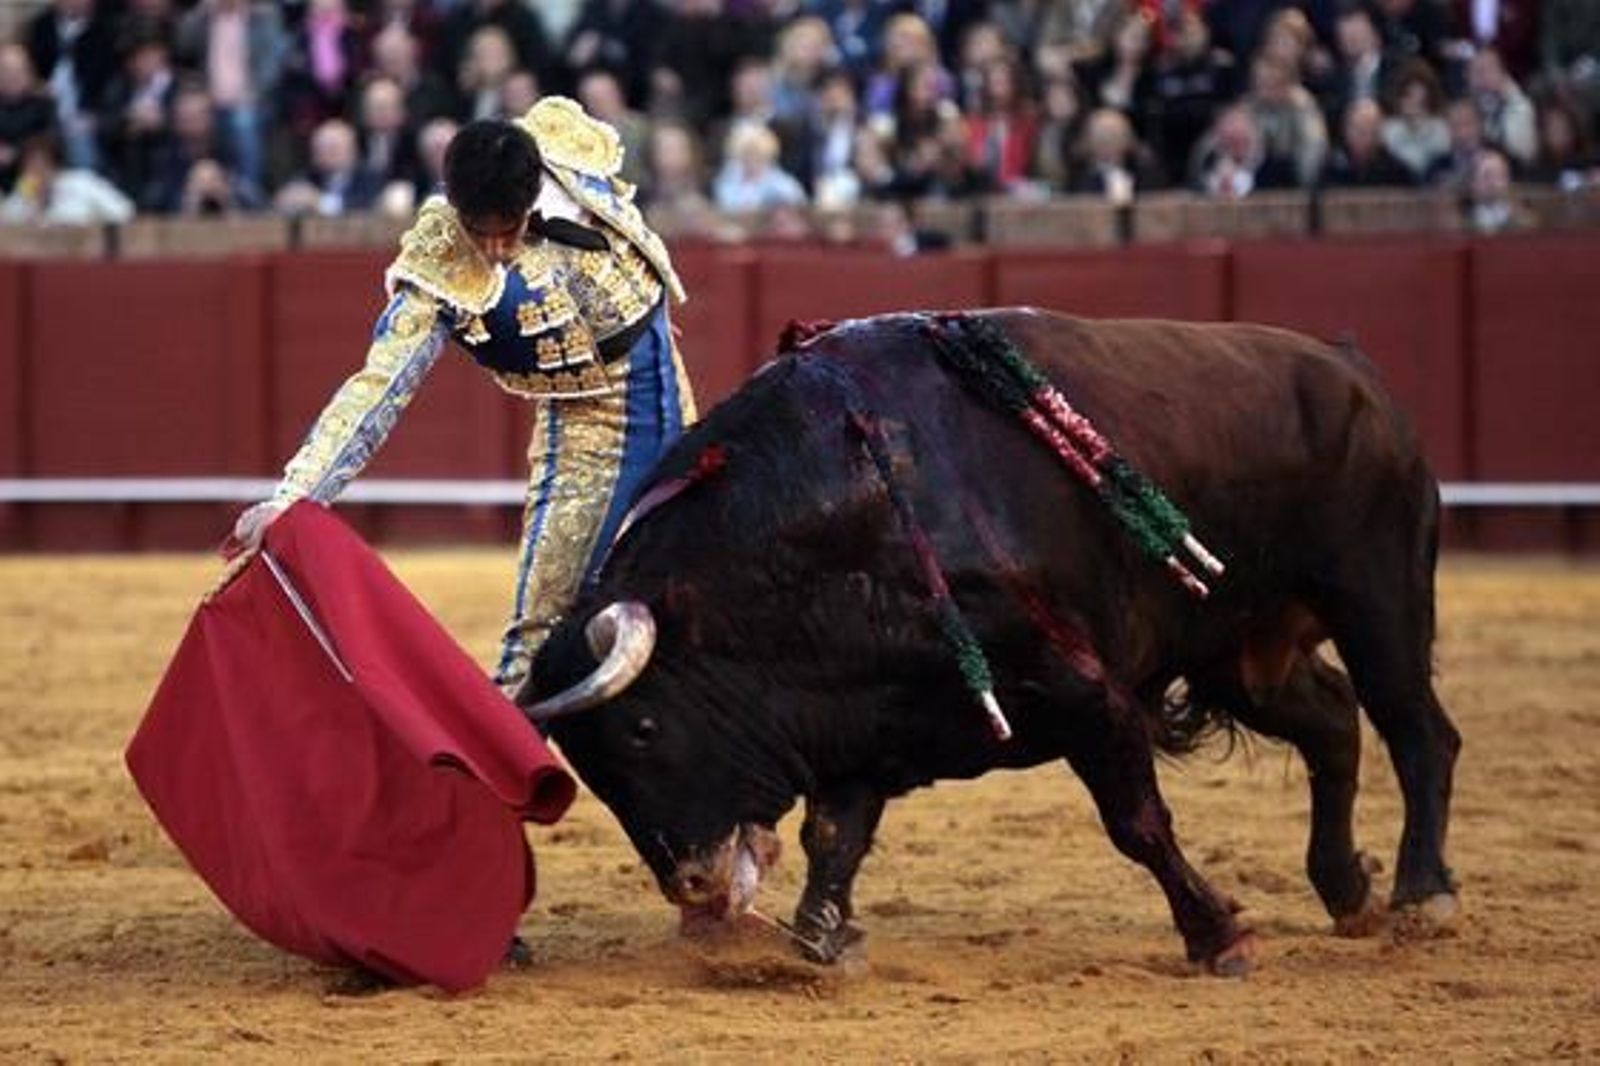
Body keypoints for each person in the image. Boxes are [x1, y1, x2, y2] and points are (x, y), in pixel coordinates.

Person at [225, 97, 696, 697]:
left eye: (510, 229)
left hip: (671, 387)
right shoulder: (438, 264)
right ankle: (495, 780)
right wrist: (295, 496)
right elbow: (379, 387)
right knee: (538, 638)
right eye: (480, 233)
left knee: (697, 593)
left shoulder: (562, 140)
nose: (496, 250)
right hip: (592, 428)